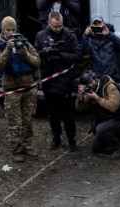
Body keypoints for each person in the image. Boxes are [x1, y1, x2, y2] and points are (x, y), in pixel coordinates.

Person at [0, 16, 40, 163]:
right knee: (14, 122)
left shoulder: (25, 43)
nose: (11, 33)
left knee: (28, 119)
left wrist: (24, 53)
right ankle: (16, 150)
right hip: (12, 88)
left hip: (29, 86)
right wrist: (8, 49)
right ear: (3, 30)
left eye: (13, 29)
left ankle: (28, 146)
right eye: (8, 30)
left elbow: (37, 62)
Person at [36, 13, 81, 152]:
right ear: (49, 22)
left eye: (60, 26)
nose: (58, 29)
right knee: (52, 113)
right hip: (48, 78)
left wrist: (61, 54)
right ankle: (56, 138)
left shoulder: (69, 36)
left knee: (67, 113)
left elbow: (77, 55)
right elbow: (35, 55)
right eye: (55, 26)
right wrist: (45, 52)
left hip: (64, 79)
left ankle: (71, 139)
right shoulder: (41, 36)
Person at [75, 70, 120, 158]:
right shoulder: (90, 90)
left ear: (95, 78)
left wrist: (97, 98)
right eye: (87, 84)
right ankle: (117, 139)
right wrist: (81, 98)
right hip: (106, 122)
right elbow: (79, 109)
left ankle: (119, 147)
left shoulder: (109, 87)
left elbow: (113, 107)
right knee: (95, 148)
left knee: (100, 129)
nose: (90, 85)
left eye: (90, 82)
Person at [81, 15, 120, 80]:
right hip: (97, 76)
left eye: (99, 23)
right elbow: (85, 52)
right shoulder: (89, 39)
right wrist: (85, 36)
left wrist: (109, 34)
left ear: (103, 23)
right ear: (91, 25)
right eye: (95, 23)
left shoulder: (110, 36)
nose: (98, 25)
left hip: (112, 75)